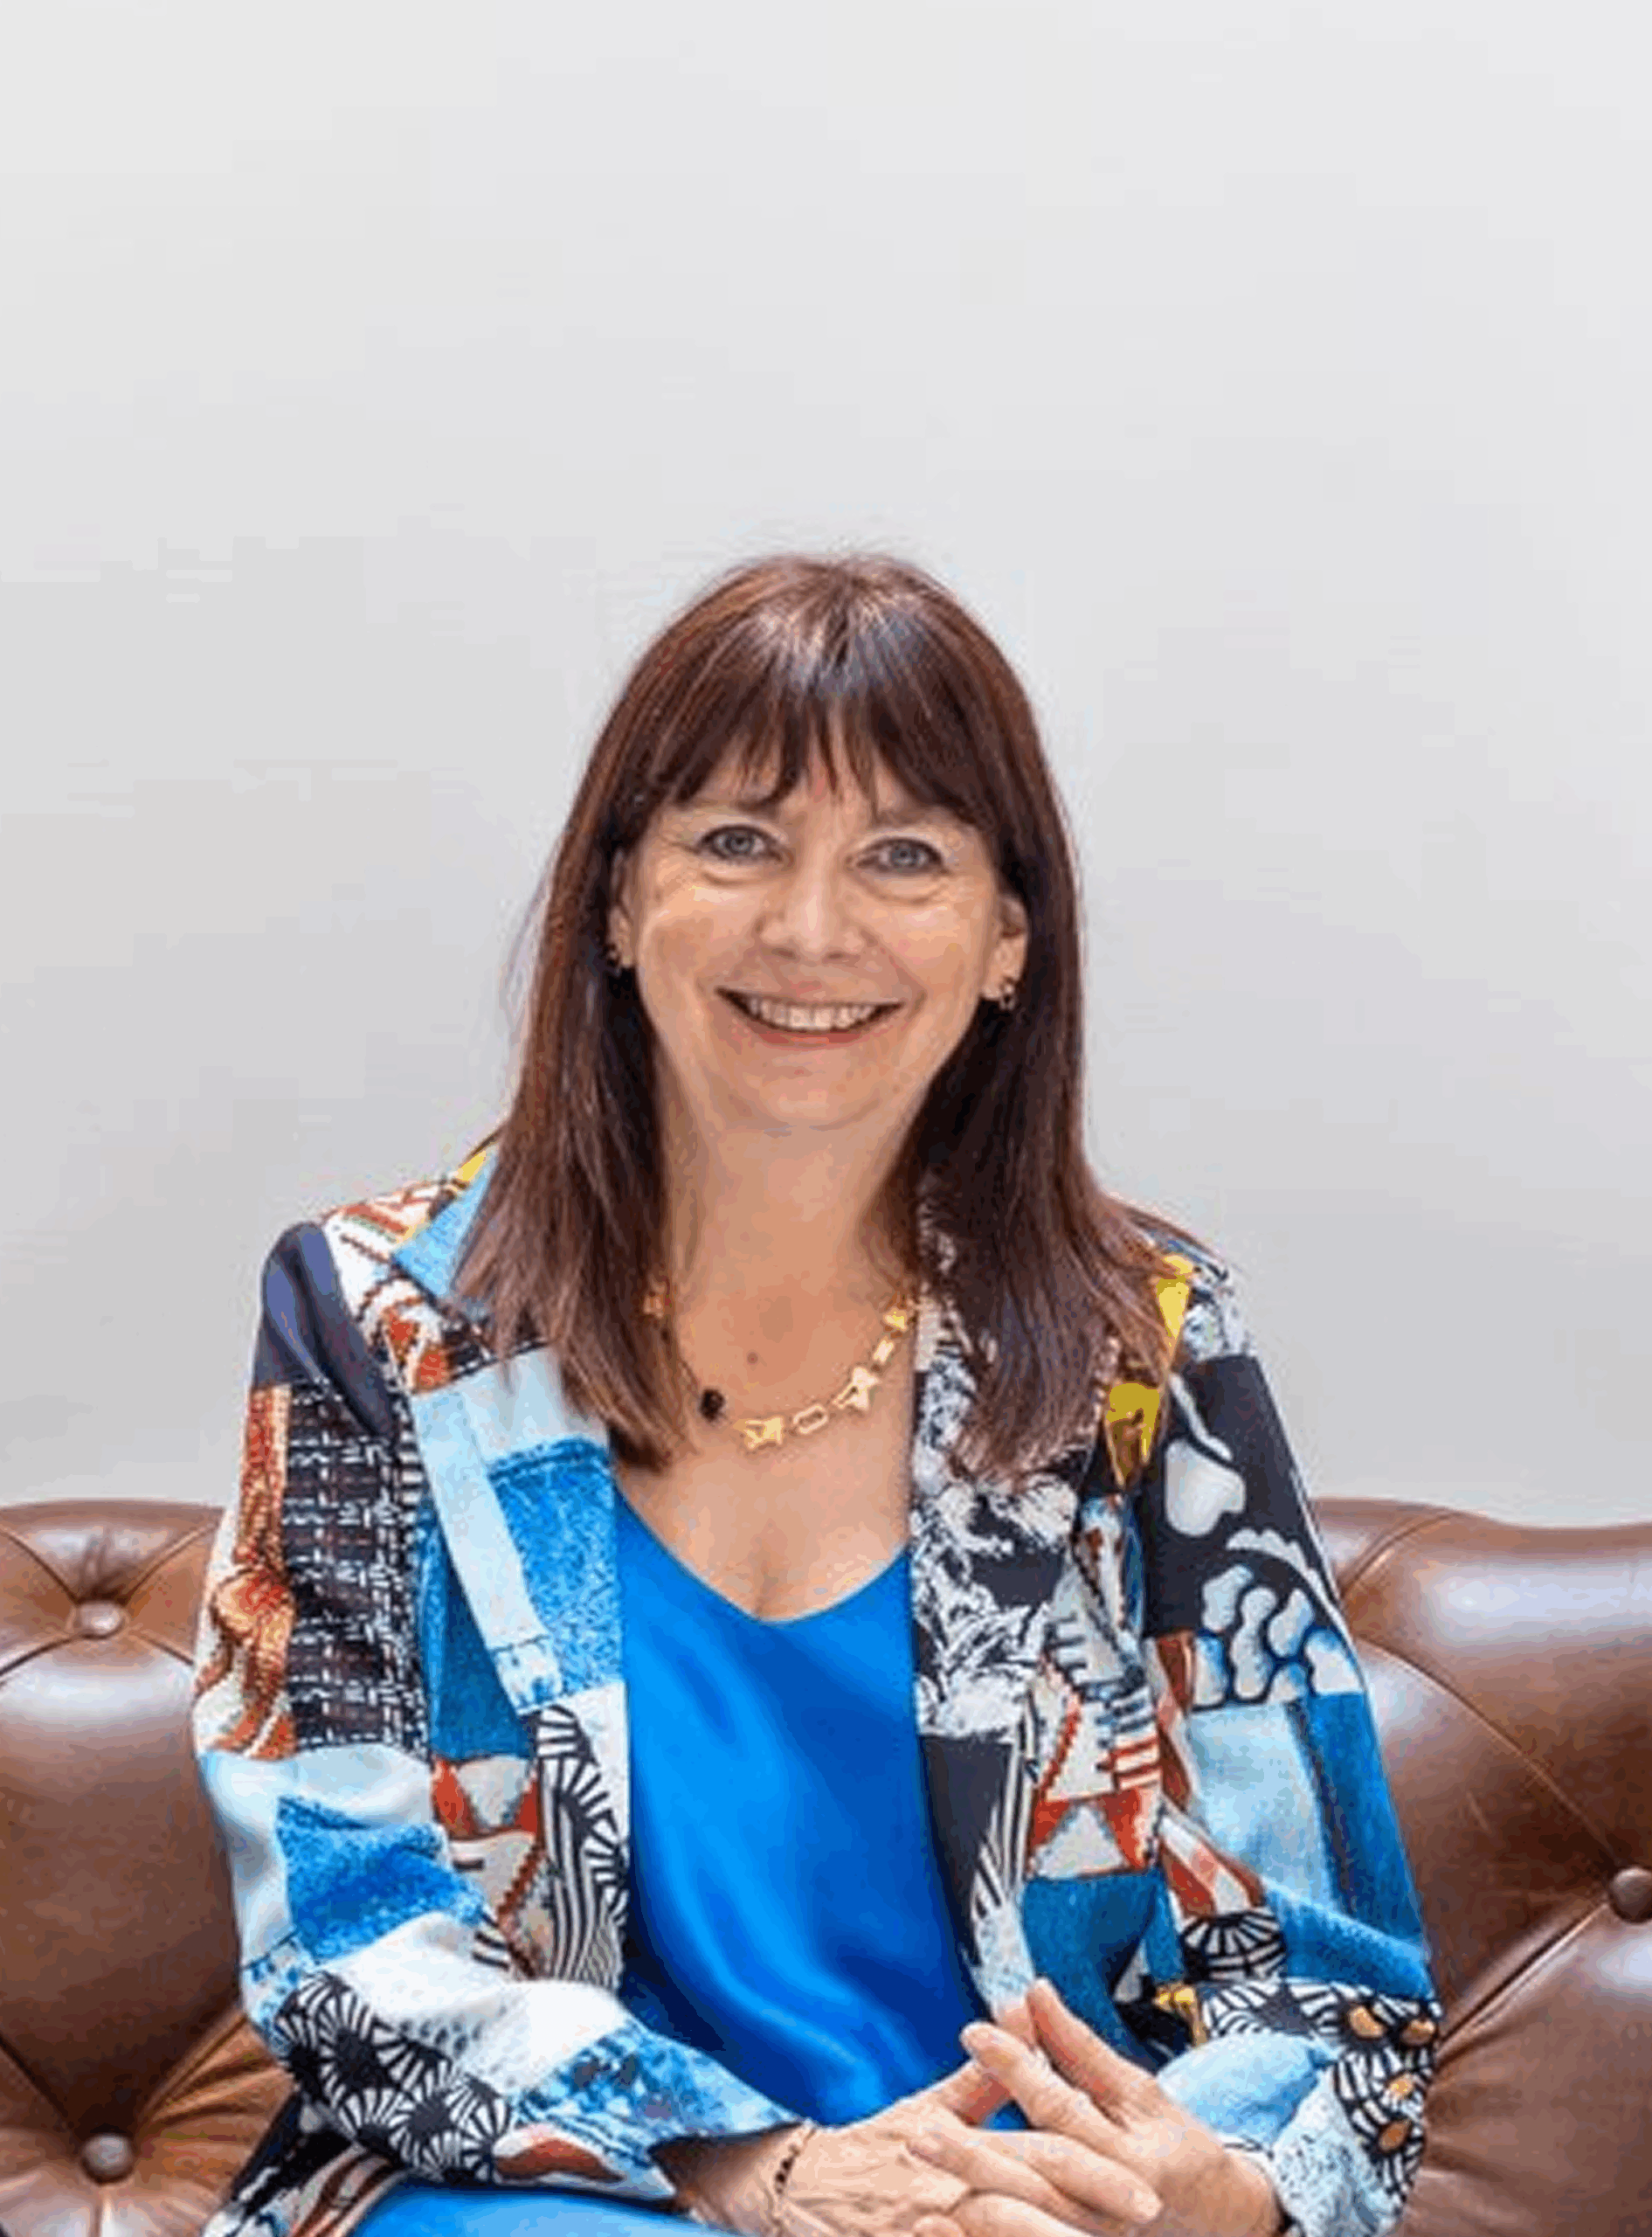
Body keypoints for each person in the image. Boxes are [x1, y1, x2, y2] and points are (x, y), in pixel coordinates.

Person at [193, 554, 1441, 2237]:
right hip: (565, 2182)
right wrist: (754, 2169)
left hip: (1009, 2200)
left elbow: (1331, 1970)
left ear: (1007, 940)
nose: (809, 930)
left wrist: (1203, 2194)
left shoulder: (1141, 1340)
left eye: (904, 856)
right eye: (736, 842)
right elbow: (345, 1935)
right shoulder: (381, 1322)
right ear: (617, 902)